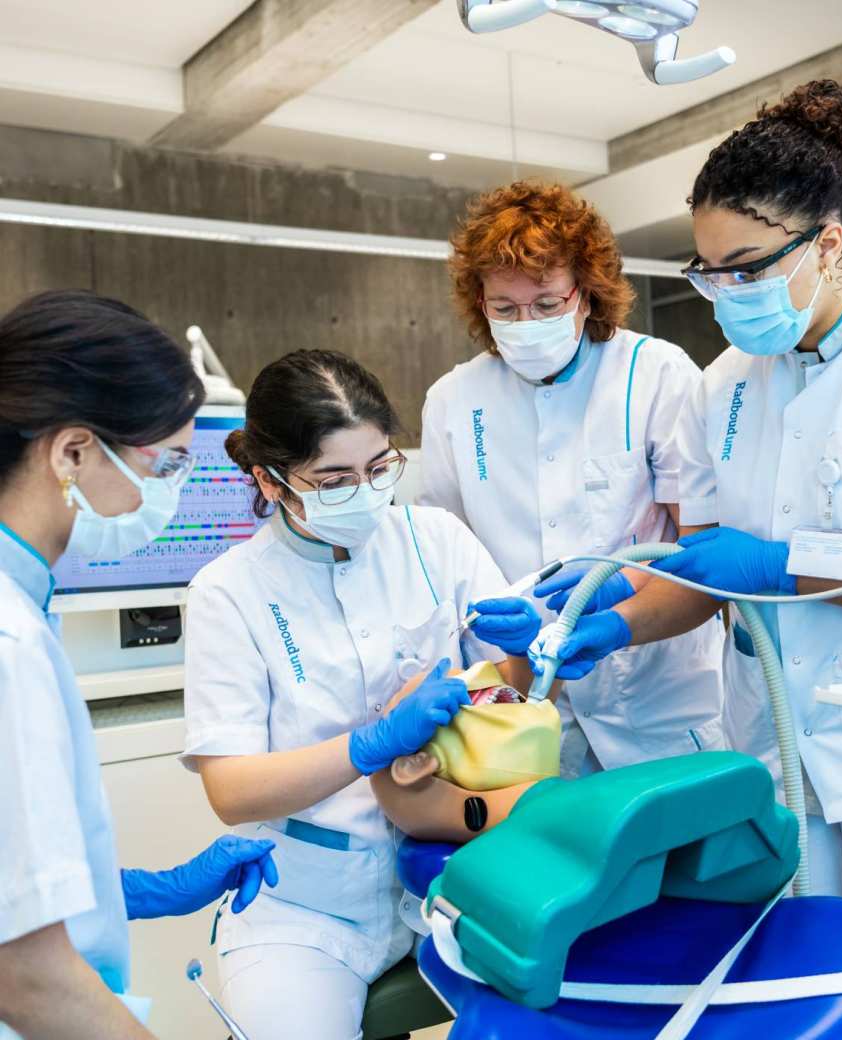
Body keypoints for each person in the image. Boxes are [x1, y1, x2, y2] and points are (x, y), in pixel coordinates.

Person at [536, 81, 842, 1004]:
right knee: (796, 1002)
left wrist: (782, 561)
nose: (724, 293)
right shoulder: (723, 386)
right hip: (779, 758)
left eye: (746, 266)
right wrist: (610, 623)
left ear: (827, 244)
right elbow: (709, 575)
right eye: (707, 270)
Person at [181, 349, 546, 1040]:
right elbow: (232, 790)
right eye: (335, 479)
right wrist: (370, 744)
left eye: (379, 468)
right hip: (308, 907)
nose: (367, 491)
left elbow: (510, 698)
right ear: (270, 479)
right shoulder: (229, 591)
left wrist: (522, 656)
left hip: (452, 877)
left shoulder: (435, 539)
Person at [0, 290, 279, 1040]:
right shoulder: (9, 643)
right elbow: (24, 973)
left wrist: (138, 891)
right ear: (72, 452)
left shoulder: (23, 611)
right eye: (169, 465)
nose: (172, 494)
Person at [419, 180, 725, 777]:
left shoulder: (655, 374)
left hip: (658, 699)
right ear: (479, 303)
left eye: (546, 304)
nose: (524, 323)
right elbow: (446, 557)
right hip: (524, 702)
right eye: (504, 308)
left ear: (585, 296)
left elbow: (701, 555)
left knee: (675, 860)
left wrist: (614, 605)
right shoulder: (454, 400)